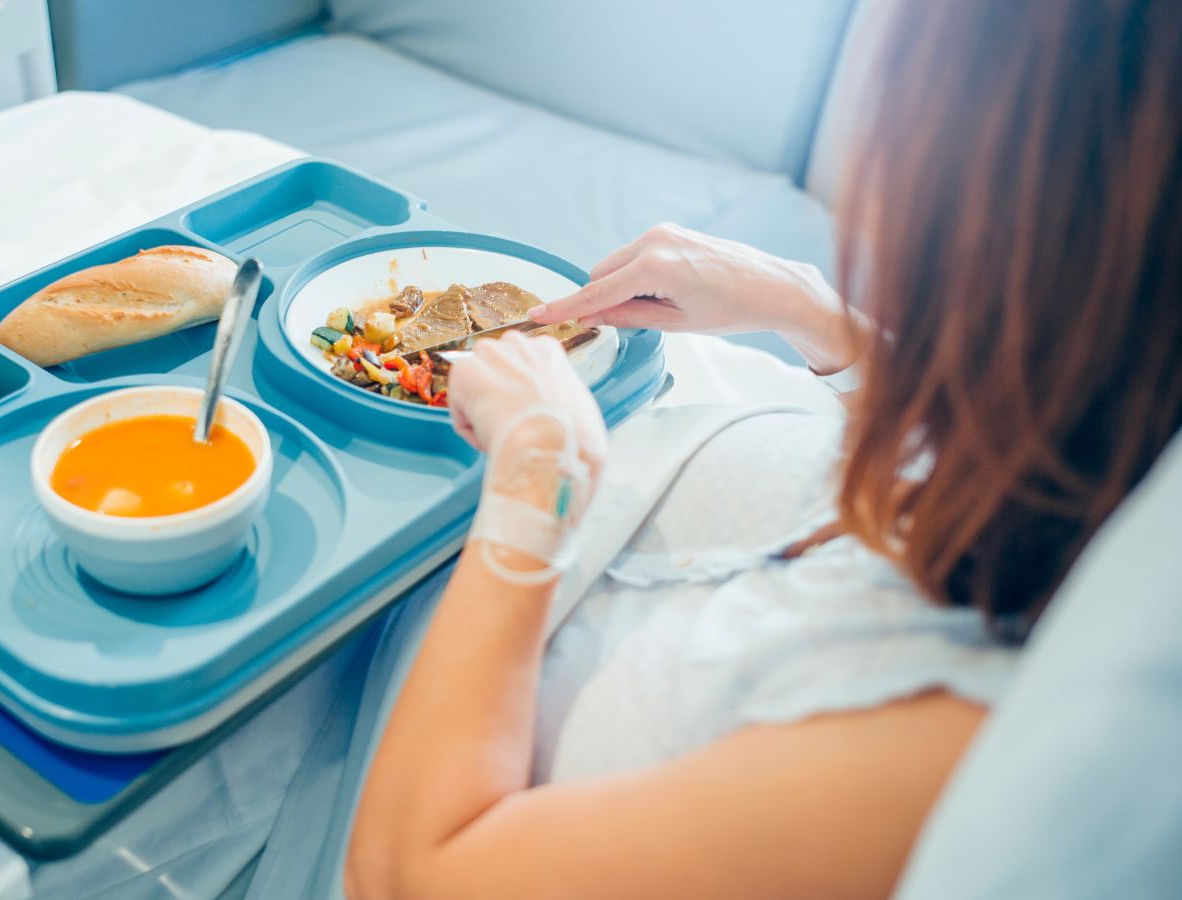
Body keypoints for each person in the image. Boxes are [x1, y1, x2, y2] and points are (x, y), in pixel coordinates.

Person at [345, 0, 1182, 896]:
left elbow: (412, 870)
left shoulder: (945, 756)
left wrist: (536, 484)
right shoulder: (1113, 463)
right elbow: (1039, 441)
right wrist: (808, 308)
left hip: (384, 647)